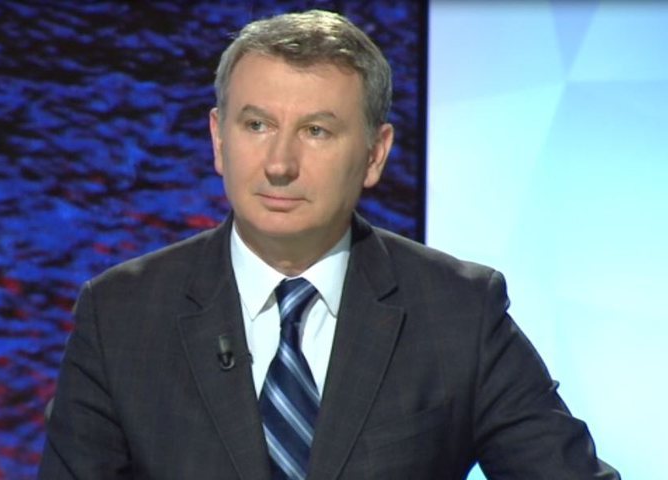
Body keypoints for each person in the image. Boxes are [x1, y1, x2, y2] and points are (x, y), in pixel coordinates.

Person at [38, 9, 619, 479]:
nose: (280, 164)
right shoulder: (120, 315)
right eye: (257, 125)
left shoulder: (459, 312)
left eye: (316, 131)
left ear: (375, 154)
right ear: (218, 139)